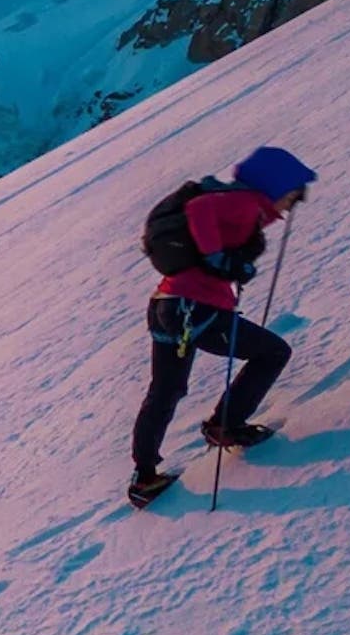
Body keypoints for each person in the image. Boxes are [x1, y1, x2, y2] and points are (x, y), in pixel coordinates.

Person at [128, 146, 317, 505]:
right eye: (292, 195)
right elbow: (199, 211)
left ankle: (144, 477)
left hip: (168, 304)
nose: (291, 205)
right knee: (273, 352)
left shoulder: (242, 207)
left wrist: (229, 263)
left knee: (165, 391)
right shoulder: (244, 203)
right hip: (196, 309)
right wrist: (219, 258)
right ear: (275, 185)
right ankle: (225, 425)